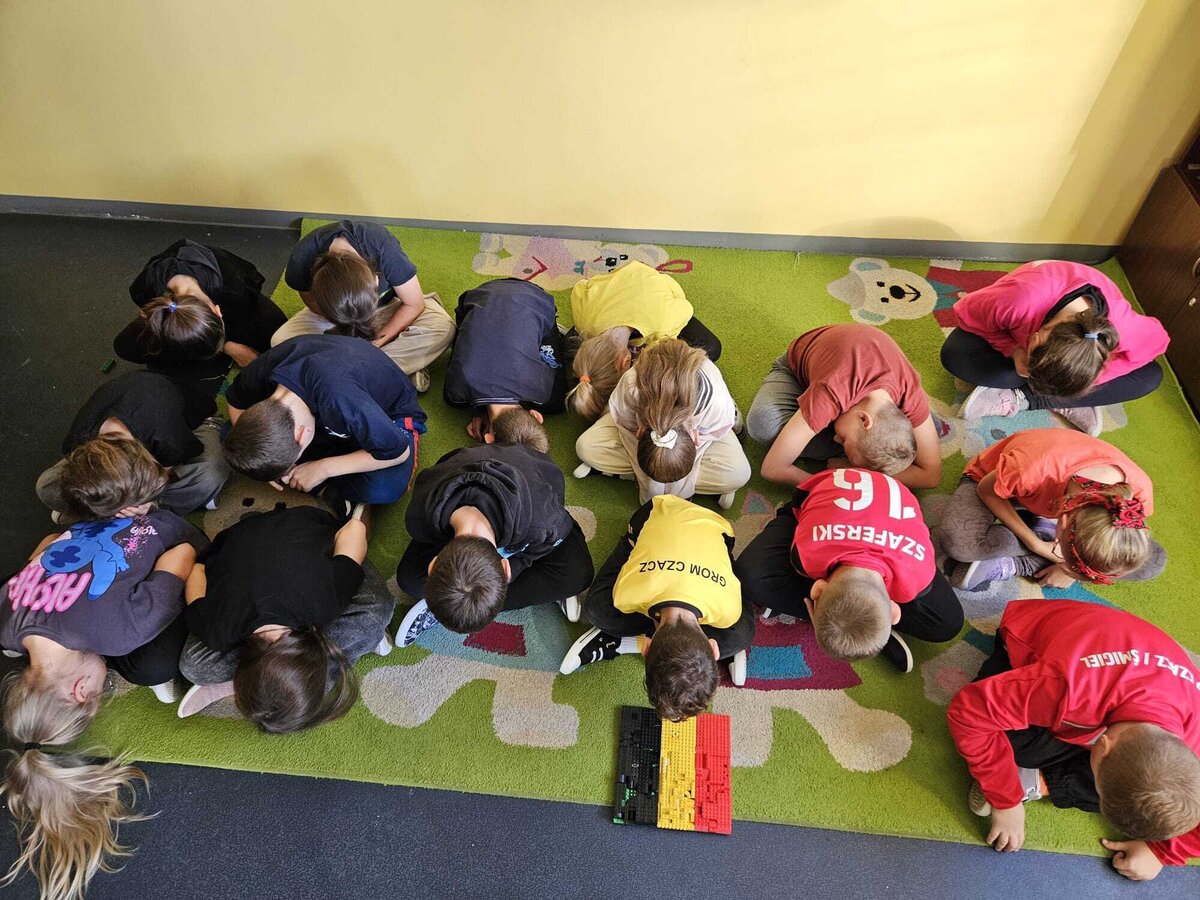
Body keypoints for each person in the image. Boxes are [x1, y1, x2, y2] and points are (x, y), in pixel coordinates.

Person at [0, 437, 206, 900]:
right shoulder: (6, 627)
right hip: (89, 519)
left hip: (162, 523)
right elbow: (46, 546)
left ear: (81, 692)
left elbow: (182, 556)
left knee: (150, 659)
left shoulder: (120, 634)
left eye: (98, 692)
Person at [947, 599, 1200, 880]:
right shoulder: (1064, 691)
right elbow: (968, 712)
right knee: (1015, 744)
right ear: (1100, 746)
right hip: (1034, 640)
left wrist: (1161, 852)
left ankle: (1038, 780)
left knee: (1140, 793)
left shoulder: (1195, 735)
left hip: (1120, 672)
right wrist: (1005, 800)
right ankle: (1031, 776)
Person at [176, 505, 395, 731]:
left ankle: (277, 683)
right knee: (194, 666)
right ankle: (267, 684)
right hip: (251, 533)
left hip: (281, 528)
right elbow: (198, 571)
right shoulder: (216, 628)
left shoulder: (323, 603)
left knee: (372, 613)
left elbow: (354, 529)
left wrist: (346, 562)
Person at [735, 467, 963, 673]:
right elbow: (800, 497)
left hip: (882, 512)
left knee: (948, 625)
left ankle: (868, 627)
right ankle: (870, 628)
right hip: (821, 496)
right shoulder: (807, 556)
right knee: (750, 576)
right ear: (894, 612)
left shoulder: (918, 575)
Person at [559, 495, 753, 721]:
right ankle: (631, 639)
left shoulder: (726, 608)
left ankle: (625, 640)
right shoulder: (628, 594)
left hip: (709, 525)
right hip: (661, 513)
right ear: (646, 647)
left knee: (741, 634)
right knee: (598, 609)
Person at [394, 441, 594, 647]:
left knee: (578, 574)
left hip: (538, 496)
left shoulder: (544, 525)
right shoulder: (418, 520)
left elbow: (559, 530)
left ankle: (465, 605)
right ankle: (463, 604)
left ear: (433, 564)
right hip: (474, 486)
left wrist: (520, 562)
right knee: (408, 580)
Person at [943, 261, 1169, 436]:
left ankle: (1028, 398)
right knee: (955, 355)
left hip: (1079, 348)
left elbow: (1160, 342)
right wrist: (1012, 349)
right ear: (1034, 337)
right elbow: (965, 312)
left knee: (1150, 377)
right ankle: (1057, 396)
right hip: (1035, 290)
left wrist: (1089, 376)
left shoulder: (1126, 327)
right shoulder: (1019, 300)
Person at [940, 429, 1163, 591]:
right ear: (1061, 521)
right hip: (995, 484)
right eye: (1062, 552)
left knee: (1153, 562)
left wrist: (1070, 571)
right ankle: (1036, 541)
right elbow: (986, 490)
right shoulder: (1032, 469)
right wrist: (1035, 544)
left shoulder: (1138, 497)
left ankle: (1019, 560)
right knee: (959, 545)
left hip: (1057, 502)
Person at [222, 334, 426, 507]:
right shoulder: (264, 370)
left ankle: (325, 484)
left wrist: (323, 469)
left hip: (387, 413)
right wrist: (269, 470)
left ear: (303, 435)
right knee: (234, 442)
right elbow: (235, 402)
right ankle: (321, 475)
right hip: (329, 414)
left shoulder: (344, 402)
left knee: (385, 488)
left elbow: (398, 453)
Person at [747, 324, 942, 490]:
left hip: (846, 394)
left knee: (929, 432)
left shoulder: (910, 394)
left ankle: (858, 454)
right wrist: (837, 484)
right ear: (864, 419)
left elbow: (931, 477)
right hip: (796, 373)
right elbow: (773, 469)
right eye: (844, 440)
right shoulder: (832, 392)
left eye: (843, 442)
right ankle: (859, 454)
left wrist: (852, 469)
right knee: (764, 425)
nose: (835, 438)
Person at [272, 220, 455, 392]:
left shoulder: (382, 247)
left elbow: (414, 304)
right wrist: (336, 321)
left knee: (442, 327)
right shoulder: (301, 259)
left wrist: (375, 343)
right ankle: (391, 368)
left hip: (388, 307)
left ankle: (340, 372)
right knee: (280, 341)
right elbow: (313, 304)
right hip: (333, 317)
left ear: (376, 280)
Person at [574, 338, 750, 508]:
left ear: (695, 437)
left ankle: (637, 475)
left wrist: (656, 487)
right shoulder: (631, 388)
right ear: (640, 431)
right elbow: (624, 424)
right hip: (638, 420)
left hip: (707, 427)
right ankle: (691, 483)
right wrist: (657, 485)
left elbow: (717, 431)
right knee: (586, 447)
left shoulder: (715, 405)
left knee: (739, 473)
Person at [36, 371, 228, 517]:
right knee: (46, 486)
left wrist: (145, 503)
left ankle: (120, 511)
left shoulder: (166, 438)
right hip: (141, 434)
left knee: (211, 474)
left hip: (195, 423)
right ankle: (111, 508)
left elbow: (165, 470)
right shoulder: (77, 441)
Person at [113, 238, 287, 392]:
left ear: (218, 311)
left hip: (235, 304)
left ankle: (202, 348)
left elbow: (253, 284)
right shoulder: (143, 289)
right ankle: (198, 348)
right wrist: (229, 347)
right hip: (170, 318)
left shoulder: (234, 288)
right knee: (125, 347)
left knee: (279, 334)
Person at [567, 260, 721, 420]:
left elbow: (685, 306)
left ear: (626, 361)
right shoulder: (583, 321)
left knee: (711, 348)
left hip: (655, 286)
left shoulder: (662, 327)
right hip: (622, 281)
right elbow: (580, 287)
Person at [443, 278, 567, 446]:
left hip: (522, 297)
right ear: (489, 438)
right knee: (553, 402)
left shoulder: (544, 393)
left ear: (536, 416)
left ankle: (535, 328)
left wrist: (485, 411)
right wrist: (484, 409)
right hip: (483, 296)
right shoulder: (455, 394)